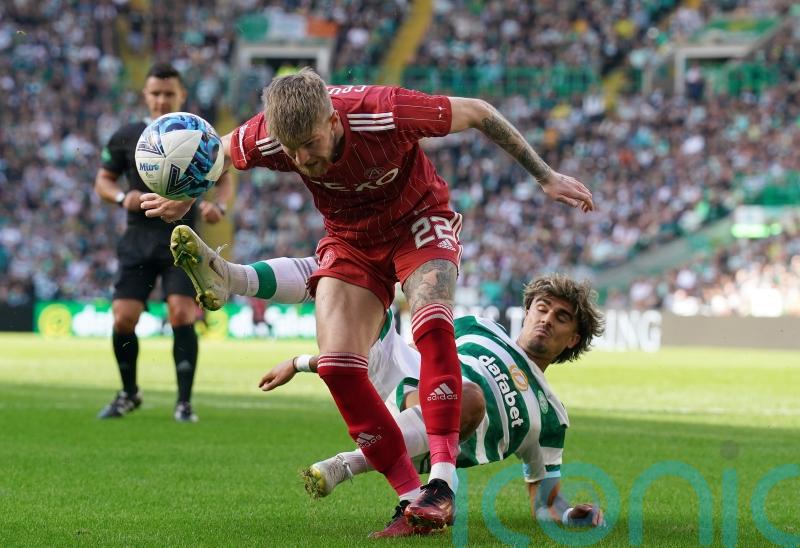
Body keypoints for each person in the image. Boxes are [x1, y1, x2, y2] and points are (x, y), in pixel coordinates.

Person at [141, 68, 594, 528]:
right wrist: (187, 192)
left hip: (419, 222)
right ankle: (413, 498)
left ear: (335, 121)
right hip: (352, 238)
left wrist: (545, 175)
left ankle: (441, 482)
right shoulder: (267, 138)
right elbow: (215, 152)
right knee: (339, 366)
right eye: (290, 149)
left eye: (311, 145)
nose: (301, 159)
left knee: (433, 322)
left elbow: (479, 112)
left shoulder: (385, 112)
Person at [258, 273, 606, 537]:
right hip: (409, 384)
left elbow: (546, 503)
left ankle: (346, 465)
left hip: (438, 440)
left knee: (467, 397)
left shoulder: (551, 417)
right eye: (542, 309)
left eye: (561, 317)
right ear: (527, 310)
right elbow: (414, 352)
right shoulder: (480, 328)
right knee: (362, 290)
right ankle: (232, 276)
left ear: (573, 339)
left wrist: (569, 511)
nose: (546, 319)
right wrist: (299, 362)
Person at [94, 63, 232, 422]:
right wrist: (120, 197)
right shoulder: (126, 135)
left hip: (182, 240)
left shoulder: (198, 134)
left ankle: (184, 403)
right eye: (155, 93)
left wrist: (219, 205)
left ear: (181, 95)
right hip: (137, 237)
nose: (161, 100)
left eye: (169, 94)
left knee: (182, 313)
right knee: (123, 318)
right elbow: (103, 182)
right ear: (146, 95)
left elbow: (225, 174)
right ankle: (128, 393)